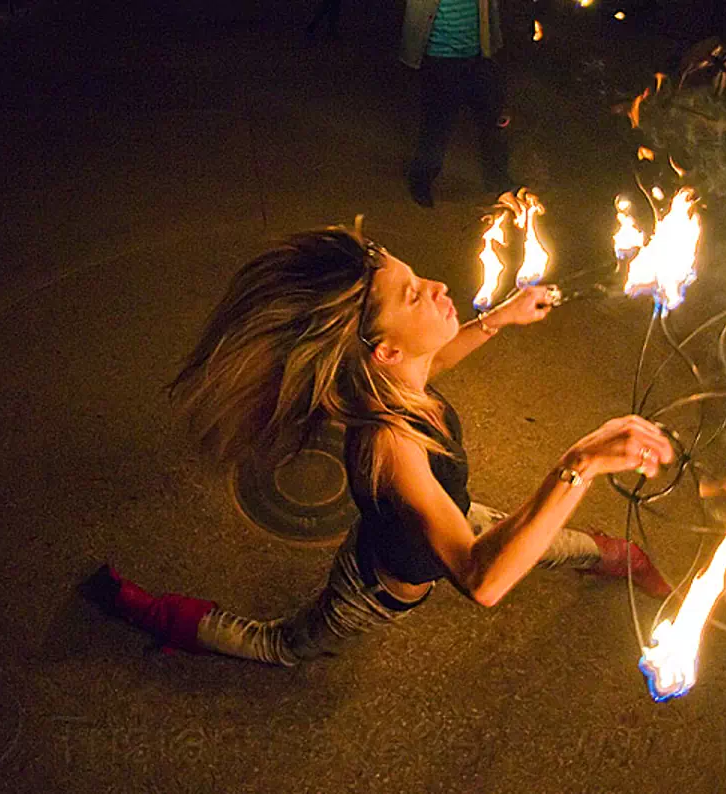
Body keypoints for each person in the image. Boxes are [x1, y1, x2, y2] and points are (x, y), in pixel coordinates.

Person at [83, 215, 675, 665]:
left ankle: (617, 557)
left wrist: (499, 318)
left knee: (543, 539)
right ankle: (155, 613)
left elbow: (434, 361)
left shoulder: (396, 376)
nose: (439, 284)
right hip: (381, 583)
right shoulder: (389, 446)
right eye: (415, 293)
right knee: (283, 646)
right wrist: (580, 462)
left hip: (454, 517)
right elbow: (481, 579)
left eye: (417, 278)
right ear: (386, 350)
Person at [401, 0, 514, 208]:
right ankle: (421, 181)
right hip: (439, 58)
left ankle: (499, 183)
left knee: (492, 121)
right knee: (437, 127)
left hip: (478, 55)